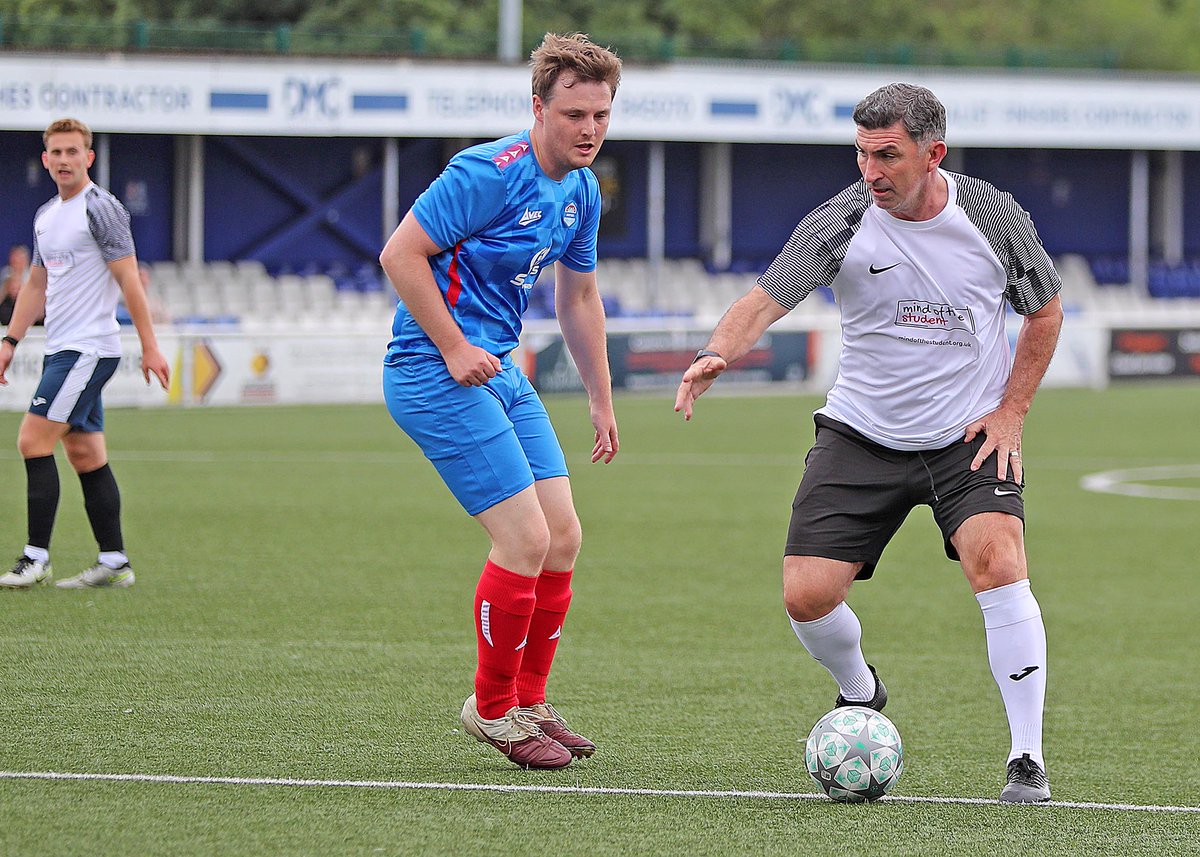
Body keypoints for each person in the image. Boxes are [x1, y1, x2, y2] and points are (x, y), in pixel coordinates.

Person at [675, 83, 1063, 803]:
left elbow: (1045, 312)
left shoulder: (993, 215)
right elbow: (766, 298)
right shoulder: (842, 221)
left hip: (966, 436)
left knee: (999, 560)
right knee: (806, 596)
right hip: (862, 432)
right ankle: (860, 687)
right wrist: (717, 352)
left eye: (887, 154)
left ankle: (1026, 757)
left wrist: (1012, 411)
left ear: (932, 152)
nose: (871, 170)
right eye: (861, 153)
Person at [379, 33, 621, 770]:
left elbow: (578, 298)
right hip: (433, 367)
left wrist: (600, 400)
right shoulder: (487, 172)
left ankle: (528, 699)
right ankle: (490, 710)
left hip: (499, 372)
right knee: (524, 539)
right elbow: (399, 254)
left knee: (565, 535)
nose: (589, 129)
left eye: (602, 115)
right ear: (539, 107)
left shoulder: (582, 190)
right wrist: (454, 345)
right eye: (575, 113)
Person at [0, 118, 171, 591]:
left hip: (88, 349)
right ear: (45, 159)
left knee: (32, 441)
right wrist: (9, 342)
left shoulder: (101, 208)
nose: (63, 160)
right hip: (62, 348)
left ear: (89, 157)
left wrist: (150, 345)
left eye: (72, 152)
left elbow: (129, 279)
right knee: (83, 451)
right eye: (55, 152)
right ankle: (114, 563)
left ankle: (35, 559)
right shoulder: (46, 215)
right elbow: (37, 284)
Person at [1, 244, 33, 326]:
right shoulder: (6, 274)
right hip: (8, 312)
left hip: (27, 310)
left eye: (20, 259)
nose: (17, 262)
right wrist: (6, 288)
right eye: (14, 259)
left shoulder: (32, 276)